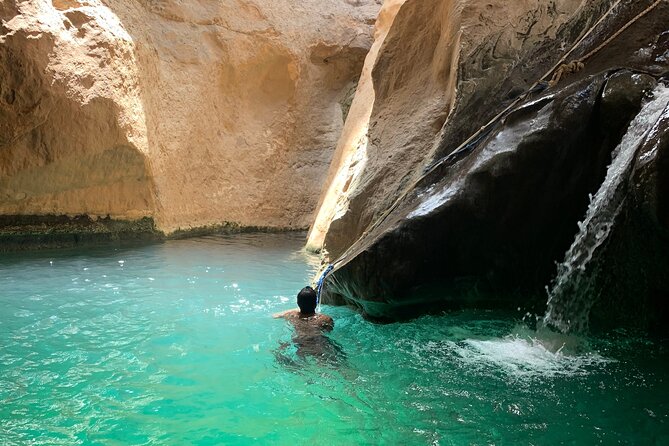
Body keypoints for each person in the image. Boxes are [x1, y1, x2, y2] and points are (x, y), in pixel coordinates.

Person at [273, 286, 338, 362]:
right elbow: (329, 331)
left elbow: (275, 316)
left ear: (298, 303)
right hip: (318, 344)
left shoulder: (291, 315)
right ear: (315, 303)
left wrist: (298, 309)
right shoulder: (325, 319)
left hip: (298, 343)